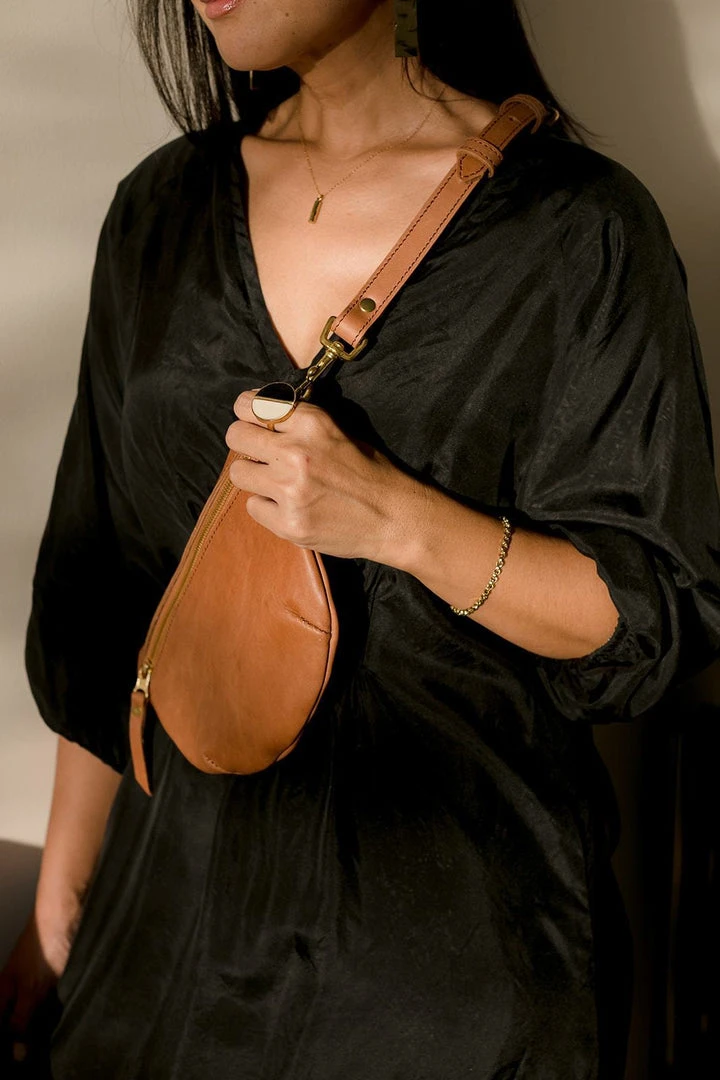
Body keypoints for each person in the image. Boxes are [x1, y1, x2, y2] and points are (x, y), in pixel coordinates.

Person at [3, 0, 720, 1076]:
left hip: (448, 992)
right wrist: (63, 898)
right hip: (168, 954)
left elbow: (647, 614)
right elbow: (105, 583)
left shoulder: (577, 228)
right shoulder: (160, 208)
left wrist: (394, 517)